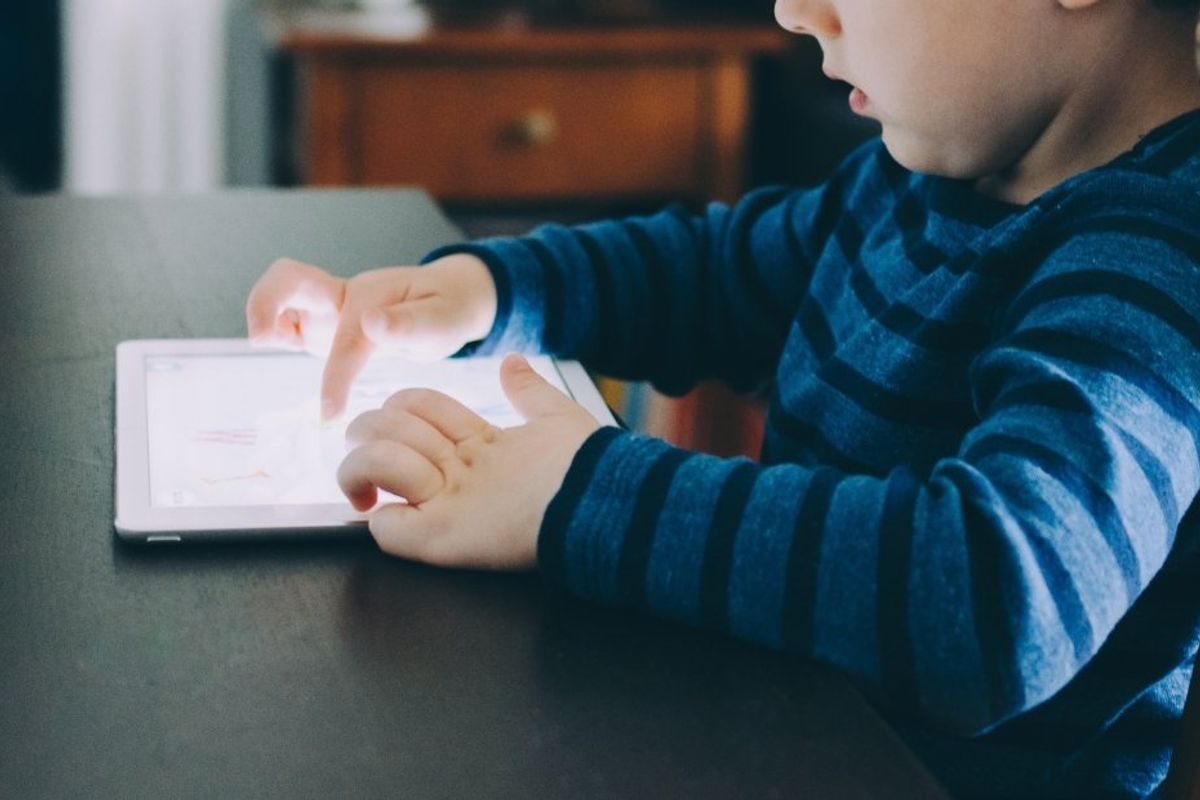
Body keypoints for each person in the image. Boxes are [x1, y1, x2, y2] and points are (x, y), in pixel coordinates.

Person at [245, 1, 1200, 797]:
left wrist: (572, 490)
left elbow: (1002, 597)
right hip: (783, 734)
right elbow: (715, 274)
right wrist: (487, 294)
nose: (795, 9)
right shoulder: (939, 172)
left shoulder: (1155, 260)